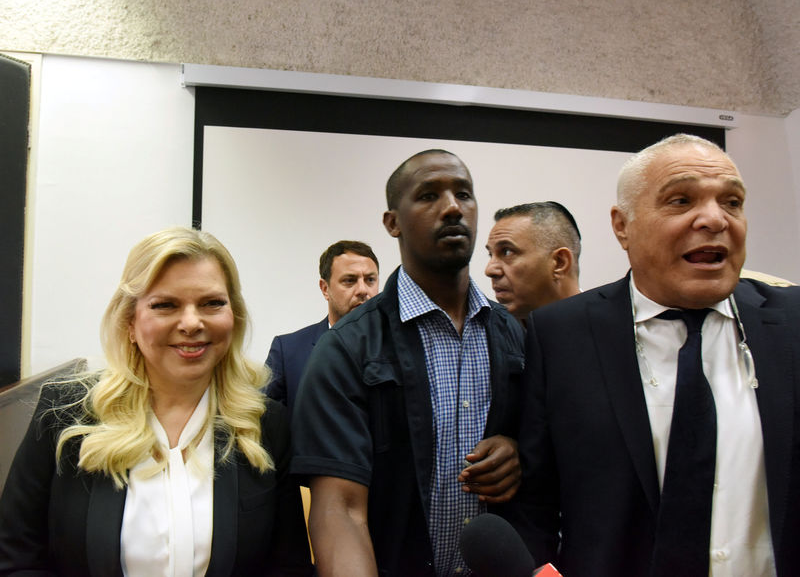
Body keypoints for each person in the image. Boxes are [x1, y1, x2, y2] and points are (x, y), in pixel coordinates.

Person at [513, 134, 800, 576]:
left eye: (732, 202)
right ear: (622, 225)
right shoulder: (560, 335)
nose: (714, 219)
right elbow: (535, 502)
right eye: (681, 200)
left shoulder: (794, 323)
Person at [0, 227, 312, 576]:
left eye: (212, 303)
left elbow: (288, 566)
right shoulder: (66, 416)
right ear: (130, 322)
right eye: (165, 305)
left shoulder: (265, 425)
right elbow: (15, 558)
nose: (192, 322)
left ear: (234, 316)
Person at [291, 149, 526, 577]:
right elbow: (340, 511)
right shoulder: (347, 348)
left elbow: (545, 450)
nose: (453, 207)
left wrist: (518, 451)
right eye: (428, 195)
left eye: (464, 194)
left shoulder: (512, 334)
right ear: (392, 222)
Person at [265, 240, 379, 418]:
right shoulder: (288, 351)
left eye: (370, 280)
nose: (363, 290)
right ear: (325, 289)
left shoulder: (397, 346)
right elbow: (263, 426)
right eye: (350, 281)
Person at [485, 201, 581, 319]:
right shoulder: (496, 333)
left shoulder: (607, 330)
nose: (489, 270)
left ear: (560, 262)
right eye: (491, 254)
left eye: (507, 252)